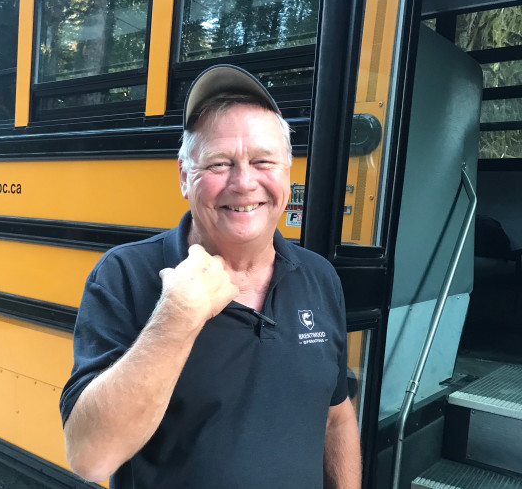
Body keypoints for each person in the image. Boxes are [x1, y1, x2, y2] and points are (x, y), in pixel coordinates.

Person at [59, 64, 361, 488]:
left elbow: (335, 416)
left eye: (263, 161)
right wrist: (177, 317)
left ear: (288, 176)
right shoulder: (125, 275)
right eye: (220, 163)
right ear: (185, 177)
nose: (243, 182)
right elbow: (89, 456)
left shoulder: (319, 277)